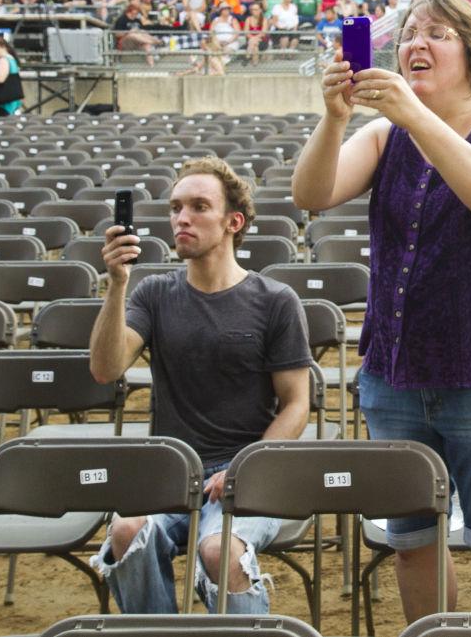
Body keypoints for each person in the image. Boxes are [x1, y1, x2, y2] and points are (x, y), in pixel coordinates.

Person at [292, 0, 471, 621]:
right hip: (394, 374)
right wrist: (334, 118)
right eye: (408, 33)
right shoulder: (384, 134)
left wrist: (415, 116)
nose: (415, 44)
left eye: (435, 32)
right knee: (413, 544)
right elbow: (311, 193)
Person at [88, 157, 312, 614]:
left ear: (234, 221)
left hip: (250, 470)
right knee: (126, 531)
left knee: (219, 550)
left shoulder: (275, 302)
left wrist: (245, 467)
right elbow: (106, 369)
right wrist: (116, 284)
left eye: (198, 206)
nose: (181, 218)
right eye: (175, 208)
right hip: (170, 468)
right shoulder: (154, 293)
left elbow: (295, 405)